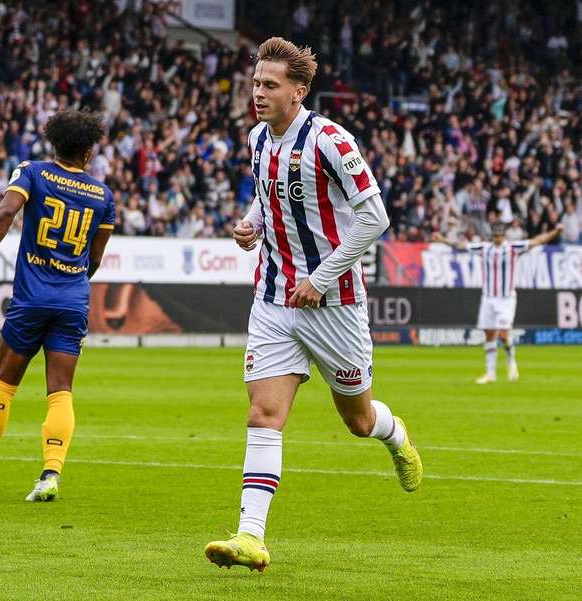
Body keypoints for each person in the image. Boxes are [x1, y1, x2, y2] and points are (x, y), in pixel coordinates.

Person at [203, 37, 423, 572]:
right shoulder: (258, 137)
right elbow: (267, 190)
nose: (257, 93)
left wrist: (322, 279)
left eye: (269, 85)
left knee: (357, 418)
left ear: (298, 91)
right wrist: (253, 224)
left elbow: (375, 219)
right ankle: (250, 536)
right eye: (256, 83)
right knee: (264, 413)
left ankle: (395, 435)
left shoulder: (332, 141)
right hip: (274, 298)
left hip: (334, 305)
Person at [0, 109, 114, 502]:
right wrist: (71, 277)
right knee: (61, 390)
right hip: (73, 298)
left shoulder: (33, 172)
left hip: (31, 297)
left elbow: (7, 212)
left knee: (4, 387)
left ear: (54, 142)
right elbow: (95, 259)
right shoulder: (103, 196)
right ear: (89, 152)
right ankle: (50, 475)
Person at [432, 223, 563, 383]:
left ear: (504, 236)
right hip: (488, 298)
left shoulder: (513, 248)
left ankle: (511, 360)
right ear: (492, 236)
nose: (498, 238)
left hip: (506, 298)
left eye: (500, 235)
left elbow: (536, 241)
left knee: (503, 333)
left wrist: (555, 232)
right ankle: (490, 373)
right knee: (489, 334)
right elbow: (461, 246)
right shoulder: (485, 249)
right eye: (495, 235)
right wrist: (442, 240)